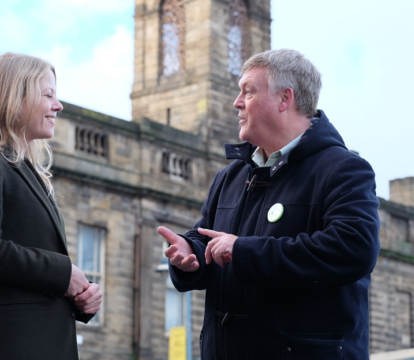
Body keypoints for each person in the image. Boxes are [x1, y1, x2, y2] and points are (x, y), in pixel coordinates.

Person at [158, 49, 380, 359]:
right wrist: (190, 253)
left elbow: (353, 248)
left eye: (248, 92)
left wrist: (243, 252)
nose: (237, 103)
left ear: (284, 99)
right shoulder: (230, 176)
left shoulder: (344, 169)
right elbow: (208, 237)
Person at [0, 52, 102, 360]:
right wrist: (62, 273)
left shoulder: (29, 171)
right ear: (15, 96)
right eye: (48, 95)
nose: (58, 105)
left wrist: (81, 299)